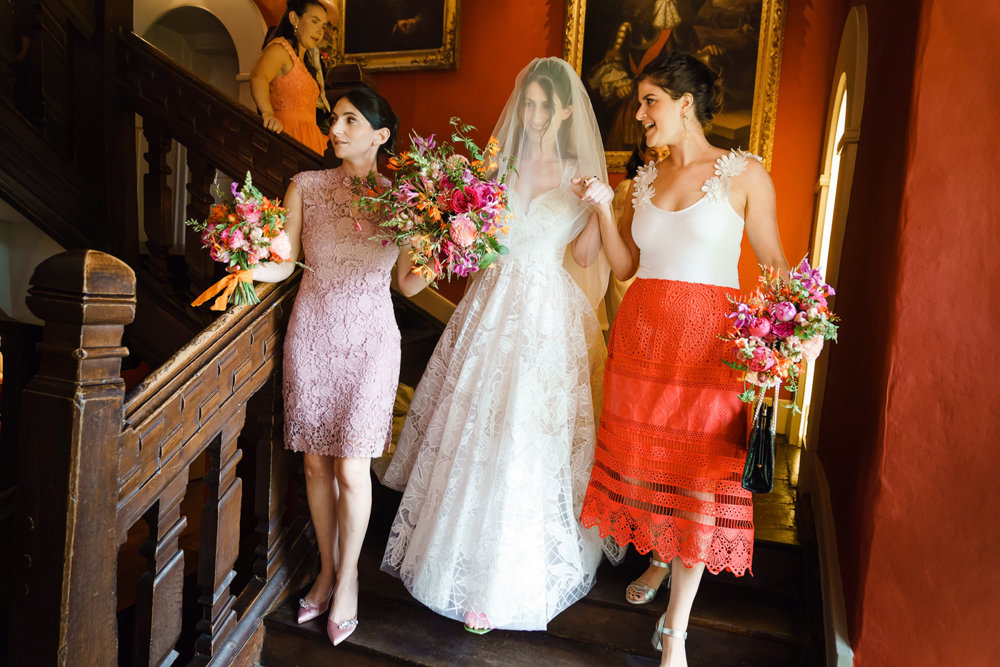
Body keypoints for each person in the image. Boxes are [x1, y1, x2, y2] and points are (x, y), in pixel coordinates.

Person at [379, 57, 615, 633]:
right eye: (527, 103)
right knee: (477, 430)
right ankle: (457, 566)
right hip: (491, 306)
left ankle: (508, 581)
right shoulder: (496, 165)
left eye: (543, 106)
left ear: (565, 110)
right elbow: (475, 238)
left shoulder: (578, 174)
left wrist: (600, 207)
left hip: (545, 316)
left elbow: (585, 256)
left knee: (527, 435)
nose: (532, 115)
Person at [579, 51, 790, 667]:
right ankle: (660, 557)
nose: (640, 113)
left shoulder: (744, 173)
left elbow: (775, 264)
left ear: (686, 104)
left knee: (700, 483)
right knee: (648, 473)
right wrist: (604, 207)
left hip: (711, 353)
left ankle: (675, 631)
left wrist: (791, 333)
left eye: (650, 101)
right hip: (641, 345)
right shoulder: (644, 179)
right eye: (640, 102)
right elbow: (625, 266)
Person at [249, 86, 430, 647]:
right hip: (312, 335)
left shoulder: (404, 202)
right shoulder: (305, 185)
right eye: (334, 119)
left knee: (352, 467)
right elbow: (285, 263)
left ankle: (348, 577)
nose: (335, 129)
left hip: (372, 343)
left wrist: (442, 249)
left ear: (380, 135)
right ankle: (326, 571)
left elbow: (408, 283)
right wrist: (245, 260)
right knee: (314, 466)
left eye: (350, 120)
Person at [250, 0, 332, 154]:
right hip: (288, 135)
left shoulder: (306, 62)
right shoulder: (280, 49)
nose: (320, 31)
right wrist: (267, 113)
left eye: (323, 26)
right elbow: (258, 77)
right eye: (314, 22)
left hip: (311, 139)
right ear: (294, 18)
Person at [604, 139, 669, 328]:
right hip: (632, 269)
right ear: (642, 155)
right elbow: (618, 232)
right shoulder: (628, 187)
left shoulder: (671, 187)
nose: (659, 160)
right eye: (653, 154)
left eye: (664, 154)